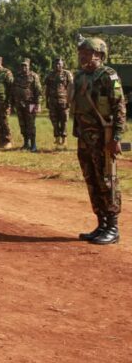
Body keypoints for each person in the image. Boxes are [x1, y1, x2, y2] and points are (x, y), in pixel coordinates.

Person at [73, 37, 125, 245]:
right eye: (81, 52)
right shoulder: (80, 77)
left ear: (99, 55)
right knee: (92, 180)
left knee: (107, 180)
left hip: (103, 138)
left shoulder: (108, 76)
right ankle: (101, 223)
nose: (82, 56)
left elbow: (119, 108)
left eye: (86, 52)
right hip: (85, 138)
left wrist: (117, 138)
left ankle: (113, 227)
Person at [12, 59, 42, 152]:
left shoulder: (34, 76)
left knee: (31, 124)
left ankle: (33, 145)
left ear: (29, 66)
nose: (24, 67)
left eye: (25, 66)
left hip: (31, 104)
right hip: (19, 104)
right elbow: (14, 89)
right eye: (22, 66)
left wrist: (38, 103)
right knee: (22, 124)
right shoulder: (17, 76)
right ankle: (26, 143)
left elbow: (38, 91)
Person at [45, 57, 73, 147]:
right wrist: (47, 101)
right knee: (54, 120)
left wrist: (69, 101)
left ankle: (64, 138)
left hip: (64, 100)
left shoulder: (67, 74)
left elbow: (71, 88)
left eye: (59, 64)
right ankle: (57, 138)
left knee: (64, 120)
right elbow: (47, 89)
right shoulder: (50, 75)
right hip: (53, 101)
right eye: (56, 64)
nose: (57, 66)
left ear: (62, 65)